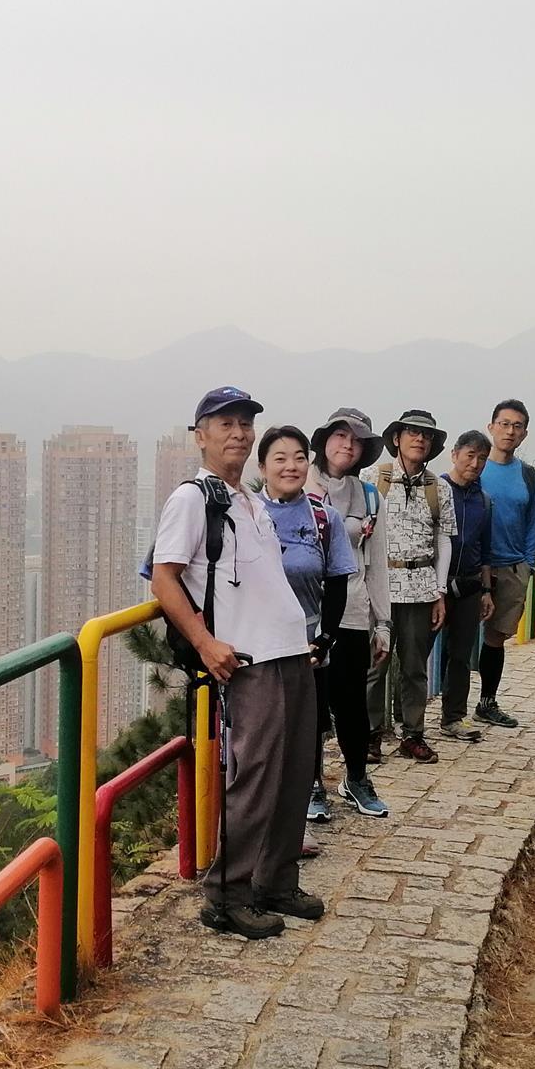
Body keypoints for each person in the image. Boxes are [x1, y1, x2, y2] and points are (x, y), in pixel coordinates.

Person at [150, 387, 325, 939]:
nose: (238, 433)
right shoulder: (191, 499)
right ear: (200, 435)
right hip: (250, 660)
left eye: (245, 423)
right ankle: (227, 895)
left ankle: (276, 881)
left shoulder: (249, 499)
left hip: (291, 651)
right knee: (256, 777)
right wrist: (205, 642)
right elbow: (163, 578)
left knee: (294, 773)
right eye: (225, 423)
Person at [255, 425, 359, 838]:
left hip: (307, 646)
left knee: (307, 729)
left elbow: (337, 581)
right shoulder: (247, 515)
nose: (291, 466)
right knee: (262, 736)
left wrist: (324, 639)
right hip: (258, 649)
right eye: (279, 458)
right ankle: (262, 822)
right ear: (262, 467)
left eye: (299, 457)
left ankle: (304, 803)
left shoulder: (322, 517)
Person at [312, 408, 390, 816]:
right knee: (310, 705)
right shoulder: (299, 483)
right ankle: (311, 786)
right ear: (324, 440)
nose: (347, 445)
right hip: (307, 615)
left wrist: (384, 623)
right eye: (340, 435)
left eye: (356, 440)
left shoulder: (370, 496)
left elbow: (377, 565)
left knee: (351, 705)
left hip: (353, 613)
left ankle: (356, 778)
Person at [367, 409, 452, 763]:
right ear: (396, 438)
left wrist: (440, 591)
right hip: (380, 588)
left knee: (415, 667)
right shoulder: (374, 478)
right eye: (412, 432)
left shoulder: (439, 487)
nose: (419, 439)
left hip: (420, 587)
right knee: (375, 665)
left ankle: (413, 734)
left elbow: (444, 539)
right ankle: (370, 735)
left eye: (426, 435)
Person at [477, 398, 535, 729]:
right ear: (491, 427)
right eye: (504, 424)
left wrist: (528, 566)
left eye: (517, 426)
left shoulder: (528, 476)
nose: (510, 431)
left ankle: (487, 702)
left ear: (524, 434)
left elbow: (533, 523)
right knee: (456, 639)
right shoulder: (475, 467)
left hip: (512, 567)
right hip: (474, 567)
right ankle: (448, 708)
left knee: (496, 638)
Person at [438, 430, 494, 742]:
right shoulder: (436, 490)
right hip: (434, 585)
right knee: (416, 653)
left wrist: (486, 591)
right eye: (469, 455)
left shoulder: (483, 500)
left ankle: (453, 717)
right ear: (455, 454)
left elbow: (485, 550)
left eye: (481, 458)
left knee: (460, 655)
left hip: (470, 585)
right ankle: (408, 721)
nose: (475, 463)